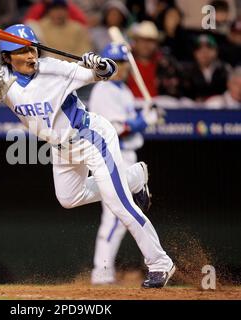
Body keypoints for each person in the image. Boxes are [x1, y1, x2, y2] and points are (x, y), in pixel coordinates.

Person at [0, 24, 175, 288]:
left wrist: (99, 64)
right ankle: (135, 176)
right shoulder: (1, 78)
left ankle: (160, 263)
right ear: (7, 57)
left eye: (32, 49)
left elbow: (107, 72)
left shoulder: (54, 68)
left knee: (119, 205)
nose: (30, 56)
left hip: (91, 137)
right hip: (60, 148)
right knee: (69, 198)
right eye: (21, 51)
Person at [88, 43, 159, 285]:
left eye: (125, 62)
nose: (123, 67)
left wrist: (146, 114)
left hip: (126, 156)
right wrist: (143, 121)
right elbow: (119, 130)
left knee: (121, 217)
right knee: (114, 218)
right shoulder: (103, 90)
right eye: (118, 62)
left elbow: (129, 122)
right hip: (112, 156)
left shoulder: (124, 91)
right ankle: (101, 274)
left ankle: (103, 273)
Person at [183, 34, 231, 102]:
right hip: (192, 107)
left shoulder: (224, 70)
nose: (204, 52)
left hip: (218, 107)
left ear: (216, 51)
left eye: (209, 48)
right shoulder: (186, 71)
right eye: (199, 48)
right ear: (194, 52)